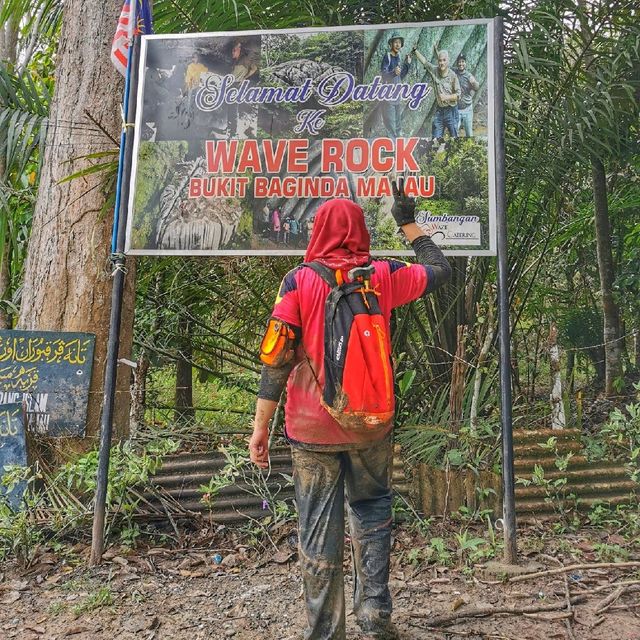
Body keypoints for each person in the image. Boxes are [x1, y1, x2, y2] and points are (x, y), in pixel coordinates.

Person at [249, 184, 451, 640]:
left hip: (311, 427)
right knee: (373, 508)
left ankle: (325, 632)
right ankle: (376, 615)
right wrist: (407, 222)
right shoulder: (382, 275)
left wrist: (260, 428)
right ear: (360, 231)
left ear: (317, 230)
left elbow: (276, 360)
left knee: (318, 527)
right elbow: (439, 268)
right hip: (370, 425)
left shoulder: (299, 281)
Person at [413, 43, 460, 140]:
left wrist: (447, 97)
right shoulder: (434, 70)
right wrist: (415, 51)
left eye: (444, 60)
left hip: (451, 111)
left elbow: (458, 95)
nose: (442, 63)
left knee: (454, 139)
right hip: (439, 111)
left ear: (448, 61)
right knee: (435, 140)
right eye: (440, 61)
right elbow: (425, 62)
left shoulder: (453, 76)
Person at [380, 33, 412, 138]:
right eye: (395, 42)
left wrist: (407, 64)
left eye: (399, 43)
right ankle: (391, 146)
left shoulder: (398, 57)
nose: (398, 45)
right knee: (390, 125)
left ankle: (398, 145)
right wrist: (393, 72)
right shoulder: (387, 57)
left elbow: (400, 76)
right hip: (388, 96)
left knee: (398, 125)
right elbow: (384, 75)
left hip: (397, 95)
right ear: (391, 44)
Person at [454, 54, 479, 137]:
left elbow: (476, 87)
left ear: (465, 63)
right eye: (459, 62)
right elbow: (443, 66)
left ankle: (471, 149)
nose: (461, 64)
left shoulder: (469, 76)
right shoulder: (453, 72)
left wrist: (474, 83)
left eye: (463, 62)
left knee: (469, 133)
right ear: (457, 63)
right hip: (456, 109)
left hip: (467, 109)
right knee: (454, 132)